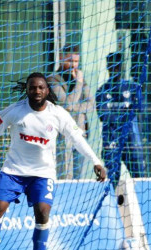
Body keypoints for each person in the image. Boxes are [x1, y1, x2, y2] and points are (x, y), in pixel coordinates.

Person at [0, 72, 107, 250]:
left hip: (43, 173)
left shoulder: (58, 114)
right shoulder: (16, 111)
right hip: (13, 171)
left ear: (47, 90)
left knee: (43, 213)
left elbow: (77, 138)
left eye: (41, 87)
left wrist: (96, 161)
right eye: (33, 87)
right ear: (27, 89)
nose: (37, 91)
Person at [96, 52, 148, 179]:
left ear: (122, 67)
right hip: (111, 139)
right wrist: (124, 114)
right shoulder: (102, 91)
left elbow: (139, 109)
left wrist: (122, 116)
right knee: (112, 176)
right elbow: (103, 116)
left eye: (117, 66)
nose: (114, 69)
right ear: (107, 67)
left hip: (131, 139)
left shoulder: (133, 87)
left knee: (139, 175)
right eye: (111, 66)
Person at [47, 45, 96, 179]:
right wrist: (78, 84)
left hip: (80, 133)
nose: (73, 65)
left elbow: (91, 104)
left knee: (78, 175)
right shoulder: (53, 80)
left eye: (75, 62)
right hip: (63, 135)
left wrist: (74, 107)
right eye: (70, 61)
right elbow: (66, 104)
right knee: (66, 176)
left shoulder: (80, 78)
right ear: (62, 59)